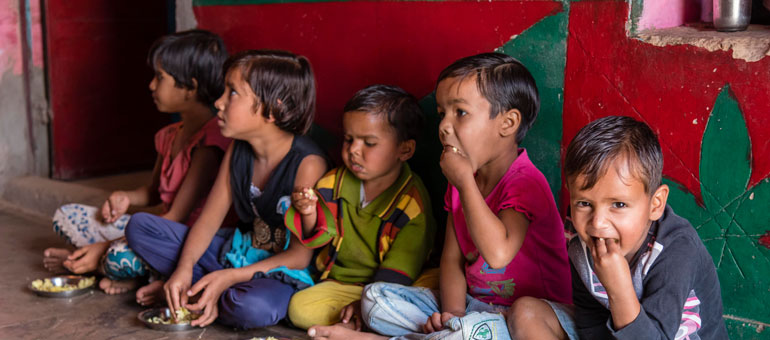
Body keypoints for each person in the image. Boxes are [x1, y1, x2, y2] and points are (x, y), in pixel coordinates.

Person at [308, 53, 571, 340]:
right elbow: (451, 259)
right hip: (476, 309)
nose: (444, 125)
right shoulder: (460, 181)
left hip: (528, 317)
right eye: (442, 113)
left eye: (460, 113)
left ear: (507, 123)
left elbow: (497, 254)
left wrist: (464, 184)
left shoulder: (524, 182)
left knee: (490, 325)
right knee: (374, 298)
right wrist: (453, 316)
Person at [125, 49, 329, 329]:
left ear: (273, 109)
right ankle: (197, 289)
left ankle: (204, 292)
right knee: (140, 227)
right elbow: (208, 222)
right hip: (236, 250)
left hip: (281, 270)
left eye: (232, 93)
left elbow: (299, 256)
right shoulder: (238, 150)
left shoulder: (307, 164)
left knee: (250, 308)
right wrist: (184, 269)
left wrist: (228, 278)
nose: (218, 103)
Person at [42, 30, 230, 297]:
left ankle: (88, 263)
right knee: (66, 216)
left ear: (190, 87)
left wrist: (103, 246)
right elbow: (153, 191)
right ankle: (91, 262)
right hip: (152, 227)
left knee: (118, 255)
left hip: (180, 240)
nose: (152, 85)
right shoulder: (170, 135)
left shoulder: (209, 144)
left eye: (160, 77)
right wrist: (124, 198)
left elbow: (176, 217)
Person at [507, 115, 728, 339]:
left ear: (656, 204)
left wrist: (619, 290)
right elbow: (590, 324)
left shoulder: (677, 250)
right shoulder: (582, 248)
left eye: (619, 204)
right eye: (584, 203)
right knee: (527, 313)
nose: (597, 223)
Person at [284, 84, 437, 332]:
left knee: (434, 283)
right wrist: (309, 212)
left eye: (369, 143)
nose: (354, 150)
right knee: (299, 309)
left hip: (394, 285)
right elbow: (316, 239)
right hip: (343, 284)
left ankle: (364, 318)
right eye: (349, 139)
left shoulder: (412, 205)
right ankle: (366, 322)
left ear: (405, 149)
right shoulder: (332, 184)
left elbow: (400, 272)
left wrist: (365, 303)